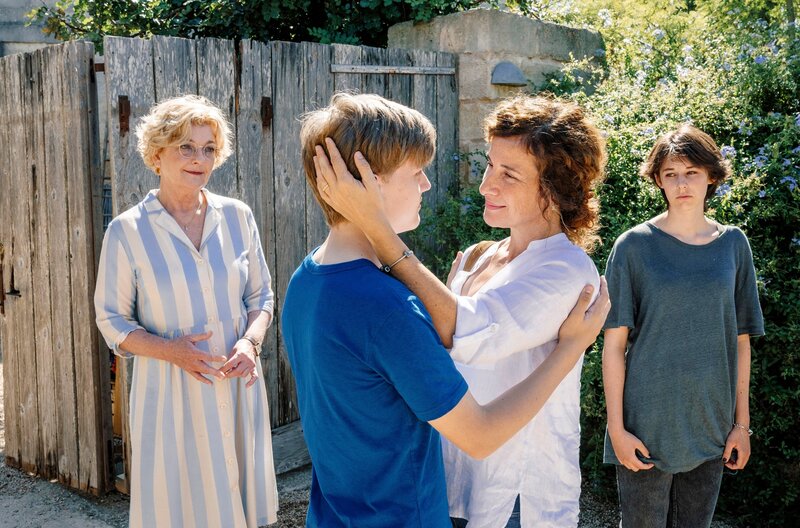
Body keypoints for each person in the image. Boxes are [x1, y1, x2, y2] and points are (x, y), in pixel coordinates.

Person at [282, 92, 609, 527]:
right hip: (446, 485)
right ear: (367, 183)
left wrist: (376, 226)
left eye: (508, 174)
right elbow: (417, 347)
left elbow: (464, 331)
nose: (485, 185)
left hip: (512, 491)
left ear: (555, 186)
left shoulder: (564, 270)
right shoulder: (470, 261)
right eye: (490, 165)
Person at [94, 95, 278, 528]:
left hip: (236, 385)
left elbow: (261, 297)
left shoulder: (237, 217)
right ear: (157, 154)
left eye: (209, 148)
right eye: (186, 147)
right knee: (179, 508)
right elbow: (111, 319)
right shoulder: (127, 231)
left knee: (239, 502)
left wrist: (251, 343)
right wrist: (169, 350)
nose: (199, 159)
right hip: (170, 395)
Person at [601, 125, 764, 527]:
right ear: (658, 179)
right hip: (646, 426)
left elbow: (741, 342)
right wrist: (617, 430)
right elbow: (613, 347)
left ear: (711, 176)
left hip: (711, 426)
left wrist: (741, 426)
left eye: (691, 171)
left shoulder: (734, 245)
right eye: (671, 173)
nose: (681, 183)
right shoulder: (633, 246)